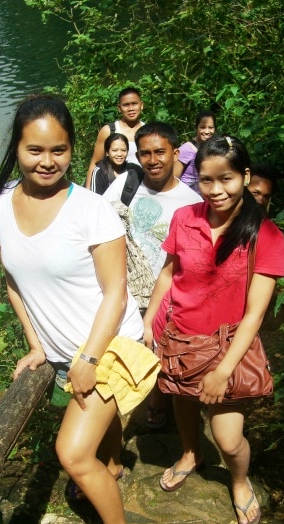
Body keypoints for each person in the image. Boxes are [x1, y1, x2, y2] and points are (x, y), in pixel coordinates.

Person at [0, 94, 145, 524]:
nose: (47, 161)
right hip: (65, 349)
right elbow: (14, 280)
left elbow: (116, 293)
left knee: (72, 453)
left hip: (111, 344)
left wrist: (90, 358)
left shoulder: (92, 211)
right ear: (17, 148)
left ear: (74, 149)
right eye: (35, 150)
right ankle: (110, 468)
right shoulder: (0, 207)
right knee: (98, 436)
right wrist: (36, 344)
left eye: (59, 150)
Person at [143, 135, 284, 524]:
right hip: (179, 337)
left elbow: (255, 314)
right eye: (206, 180)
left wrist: (223, 371)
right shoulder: (184, 217)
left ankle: (239, 480)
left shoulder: (266, 235)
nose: (216, 190)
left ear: (244, 176)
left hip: (226, 347)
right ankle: (191, 453)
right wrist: (149, 319)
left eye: (226, 179)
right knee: (183, 402)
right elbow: (169, 274)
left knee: (228, 439)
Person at [104, 121, 202, 428]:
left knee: (160, 350)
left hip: (166, 291)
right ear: (137, 156)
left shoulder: (193, 203)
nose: (153, 160)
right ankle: (116, 408)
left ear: (175, 153)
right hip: (123, 286)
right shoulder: (126, 184)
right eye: (145, 153)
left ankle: (158, 400)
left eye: (160, 152)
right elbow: (100, 221)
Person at [85, 87, 144, 188]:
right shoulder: (109, 131)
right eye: (126, 105)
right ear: (119, 108)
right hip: (112, 187)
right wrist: (89, 192)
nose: (131, 108)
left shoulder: (148, 132)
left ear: (141, 105)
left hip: (141, 186)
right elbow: (95, 164)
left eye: (134, 104)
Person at [174, 110, 216, 191]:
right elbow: (174, 178)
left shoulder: (213, 149)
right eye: (203, 127)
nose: (207, 131)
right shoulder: (186, 149)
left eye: (211, 127)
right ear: (196, 128)